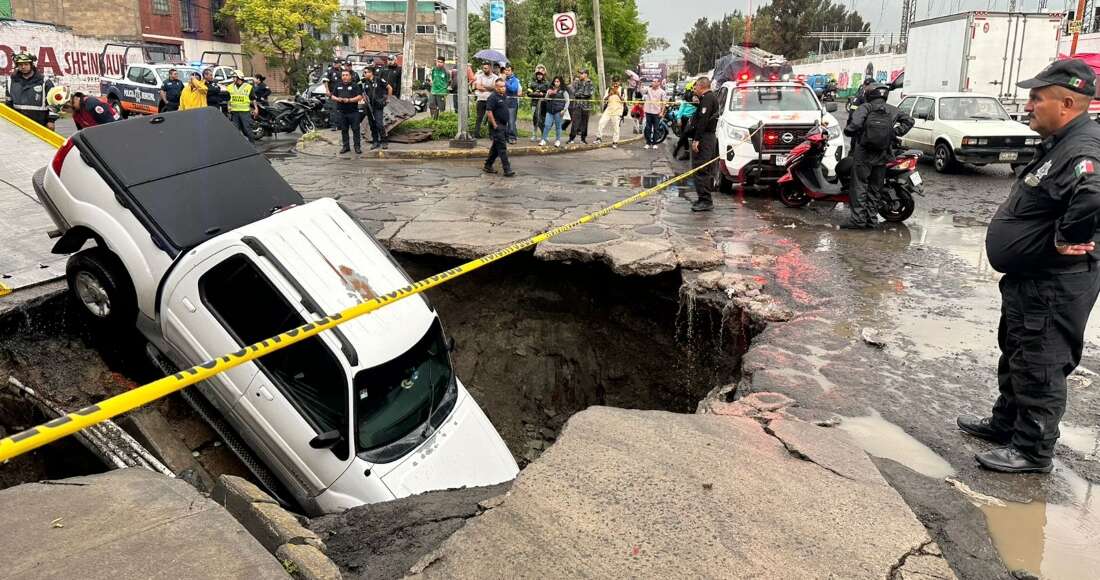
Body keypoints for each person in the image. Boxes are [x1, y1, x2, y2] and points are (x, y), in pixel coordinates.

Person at [957, 59, 1100, 474]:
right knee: (1018, 351)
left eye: (1037, 98)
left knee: (1041, 359)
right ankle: (1006, 425)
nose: (1029, 105)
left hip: (1056, 283)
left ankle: (1033, 451)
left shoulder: (1083, 147)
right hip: (1032, 280)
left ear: (1068, 102)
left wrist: (1066, 237)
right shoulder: (1061, 142)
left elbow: (1093, 195)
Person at [842, 83, 914, 229]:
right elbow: (910, 121)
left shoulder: (865, 108)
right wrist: (894, 133)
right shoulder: (893, 110)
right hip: (883, 154)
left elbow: (854, 125)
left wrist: (849, 131)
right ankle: (871, 219)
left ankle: (858, 220)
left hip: (864, 154)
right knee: (876, 187)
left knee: (859, 186)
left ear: (870, 94)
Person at [687, 77, 719, 212]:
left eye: (695, 87)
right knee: (701, 168)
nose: (694, 90)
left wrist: (696, 140)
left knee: (701, 168)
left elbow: (703, 121)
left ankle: (706, 200)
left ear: (701, 86)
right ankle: (702, 198)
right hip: (707, 137)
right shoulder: (708, 98)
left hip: (705, 138)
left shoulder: (708, 98)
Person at [5, 53, 55, 129]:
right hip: (19, 124)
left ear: (31, 64)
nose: (23, 67)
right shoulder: (11, 81)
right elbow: (8, 103)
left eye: (26, 64)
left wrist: (51, 121)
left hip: (40, 123)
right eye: (20, 64)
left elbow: (53, 103)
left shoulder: (45, 82)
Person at [483, 78, 514, 177]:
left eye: (504, 86)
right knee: (502, 148)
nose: (503, 88)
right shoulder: (492, 97)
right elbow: (489, 111)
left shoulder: (503, 96)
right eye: (501, 87)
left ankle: (488, 165)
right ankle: (507, 169)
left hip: (504, 125)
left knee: (496, 148)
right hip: (497, 125)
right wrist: (495, 125)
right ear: (496, 87)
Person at [331, 69, 364, 154]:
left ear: (350, 76)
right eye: (343, 75)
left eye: (346, 75)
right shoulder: (338, 85)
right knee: (344, 130)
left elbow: (360, 97)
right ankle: (346, 147)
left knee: (356, 130)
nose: (344, 77)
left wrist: (349, 100)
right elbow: (332, 96)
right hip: (342, 112)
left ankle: (357, 147)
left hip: (353, 112)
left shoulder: (355, 85)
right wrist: (339, 99)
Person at [362, 67, 392, 150]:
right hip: (369, 106)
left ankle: (384, 141)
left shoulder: (378, 80)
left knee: (379, 124)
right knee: (372, 125)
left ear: (371, 73)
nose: (364, 74)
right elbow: (364, 93)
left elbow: (389, 88)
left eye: (365, 72)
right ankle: (375, 142)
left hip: (378, 106)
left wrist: (388, 99)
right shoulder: (365, 82)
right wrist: (364, 98)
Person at [539, 76, 569, 148]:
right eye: (555, 81)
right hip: (550, 111)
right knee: (547, 125)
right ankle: (543, 139)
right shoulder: (550, 89)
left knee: (558, 126)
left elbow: (567, 101)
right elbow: (546, 99)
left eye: (558, 81)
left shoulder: (563, 91)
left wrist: (564, 110)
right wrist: (548, 93)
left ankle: (558, 140)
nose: (556, 83)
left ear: (560, 82)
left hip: (559, 111)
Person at [596, 78, 625, 148]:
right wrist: (609, 94)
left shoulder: (622, 90)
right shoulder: (609, 89)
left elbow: (624, 101)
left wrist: (618, 94)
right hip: (609, 109)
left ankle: (615, 142)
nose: (615, 84)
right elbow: (604, 99)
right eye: (614, 82)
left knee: (616, 127)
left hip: (617, 111)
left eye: (617, 82)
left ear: (619, 82)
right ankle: (599, 138)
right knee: (601, 122)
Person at [567, 69, 595, 145]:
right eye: (580, 73)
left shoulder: (589, 83)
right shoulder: (577, 82)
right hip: (577, 105)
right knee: (575, 122)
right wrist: (575, 91)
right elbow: (571, 88)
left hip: (586, 106)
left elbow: (587, 94)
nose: (580, 75)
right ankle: (571, 138)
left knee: (584, 123)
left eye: (582, 73)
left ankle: (583, 139)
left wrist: (577, 94)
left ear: (586, 74)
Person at [473, 62, 499, 139]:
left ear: (490, 68)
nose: (484, 70)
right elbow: (478, 87)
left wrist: (484, 86)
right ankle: (476, 133)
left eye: (486, 68)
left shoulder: (495, 77)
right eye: (483, 68)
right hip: (481, 99)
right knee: (479, 117)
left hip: (490, 100)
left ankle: (491, 134)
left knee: (491, 117)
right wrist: (489, 87)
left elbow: (495, 88)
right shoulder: (480, 76)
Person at [673, 88, 699, 161]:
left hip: (693, 121)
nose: (695, 99)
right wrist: (678, 118)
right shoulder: (687, 99)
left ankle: (693, 156)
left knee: (692, 137)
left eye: (696, 97)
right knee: (684, 137)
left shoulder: (700, 101)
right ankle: (686, 153)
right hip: (684, 119)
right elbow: (681, 108)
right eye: (694, 97)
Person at [642, 79, 668, 150]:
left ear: (658, 83)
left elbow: (664, 103)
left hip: (657, 113)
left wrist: (662, 112)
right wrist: (639, 84)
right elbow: (640, 91)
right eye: (652, 82)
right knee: (648, 128)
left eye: (654, 81)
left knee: (656, 128)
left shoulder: (662, 92)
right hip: (648, 111)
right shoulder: (648, 89)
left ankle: (654, 143)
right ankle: (648, 142)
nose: (652, 83)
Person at [529, 65, 550, 142]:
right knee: (535, 119)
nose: (539, 76)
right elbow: (528, 93)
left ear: (543, 74)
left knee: (543, 120)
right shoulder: (532, 83)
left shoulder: (547, 83)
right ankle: (534, 135)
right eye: (538, 74)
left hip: (544, 105)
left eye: (540, 74)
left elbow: (549, 94)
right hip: (534, 104)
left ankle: (544, 135)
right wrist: (536, 94)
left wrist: (543, 94)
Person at [502, 65, 522, 144]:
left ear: (512, 71)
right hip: (504, 102)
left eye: (508, 70)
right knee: (504, 120)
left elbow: (513, 89)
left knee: (511, 121)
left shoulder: (515, 80)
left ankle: (512, 137)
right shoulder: (503, 79)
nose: (507, 72)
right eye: (506, 70)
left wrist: (505, 82)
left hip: (512, 103)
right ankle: (505, 137)